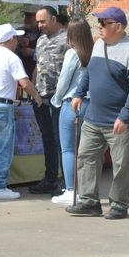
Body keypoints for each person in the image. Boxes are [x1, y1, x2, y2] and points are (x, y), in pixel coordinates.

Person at [66, 7, 129, 220]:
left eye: (104, 23)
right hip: (93, 117)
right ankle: (89, 202)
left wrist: (125, 116)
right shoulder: (99, 44)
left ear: (118, 26)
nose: (99, 27)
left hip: (118, 120)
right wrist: (78, 93)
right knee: (86, 158)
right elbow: (88, 72)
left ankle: (119, 205)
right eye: (98, 23)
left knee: (121, 165)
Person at [0, 24, 42, 200]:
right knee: (4, 149)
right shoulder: (12, 58)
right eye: (16, 38)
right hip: (2, 106)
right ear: (11, 39)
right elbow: (24, 82)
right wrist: (36, 96)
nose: (17, 41)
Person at [50, 18, 94, 205]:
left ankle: (70, 190)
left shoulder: (72, 53)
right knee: (86, 151)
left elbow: (64, 80)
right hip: (91, 104)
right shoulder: (95, 52)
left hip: (72, 102)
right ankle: (85, 190)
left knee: (68, 149)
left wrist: (56, 99)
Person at [29, 6, 68, 196]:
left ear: (53, 19)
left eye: (42, 21)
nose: (39, 25)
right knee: (47, 138)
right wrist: (32, 88)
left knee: (61, 140)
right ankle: (50, 178)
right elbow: (38, 65)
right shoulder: (41, 40)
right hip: (41, 97)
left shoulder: (67, 39)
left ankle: (67, 182)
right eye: (38, 22)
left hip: (59, 98)